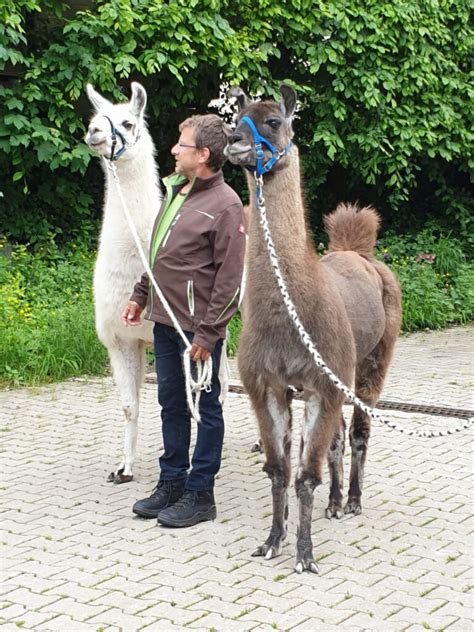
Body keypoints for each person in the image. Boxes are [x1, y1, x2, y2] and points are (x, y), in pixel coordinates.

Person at [122, 114, 246, 528]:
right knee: (171, 404)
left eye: (182, 144)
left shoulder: (226, 206)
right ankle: (171, 482)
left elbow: (230, 279)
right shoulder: (176, 192)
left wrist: (209, 334)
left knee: (206, 409)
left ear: (204, 155)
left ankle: (200, 493)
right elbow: (159, 252)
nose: (174, 149)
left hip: (197, 330)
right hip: (164, 322)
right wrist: (141, 296)